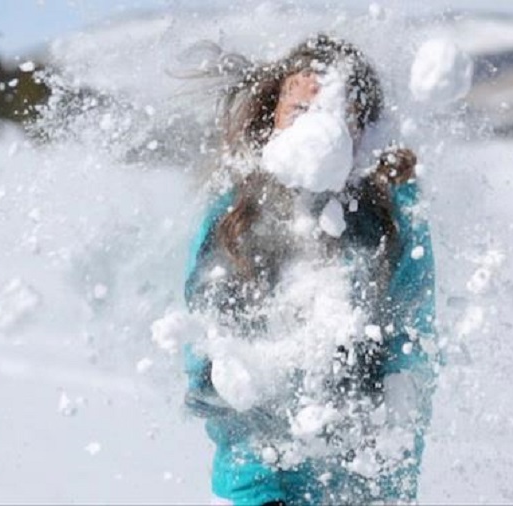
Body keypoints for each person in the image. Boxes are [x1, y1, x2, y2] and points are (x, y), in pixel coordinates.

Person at [182, 34, 437, 505]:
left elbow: (411, 354)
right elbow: (212, 358)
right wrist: (255, 491)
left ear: (364, 133)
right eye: (300, 113)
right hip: (262, 488)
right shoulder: (234, 219)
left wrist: (388, 485)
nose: (318, 133)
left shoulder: (392, 224)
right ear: (272, 119)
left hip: (361, 485)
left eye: (340, 117)